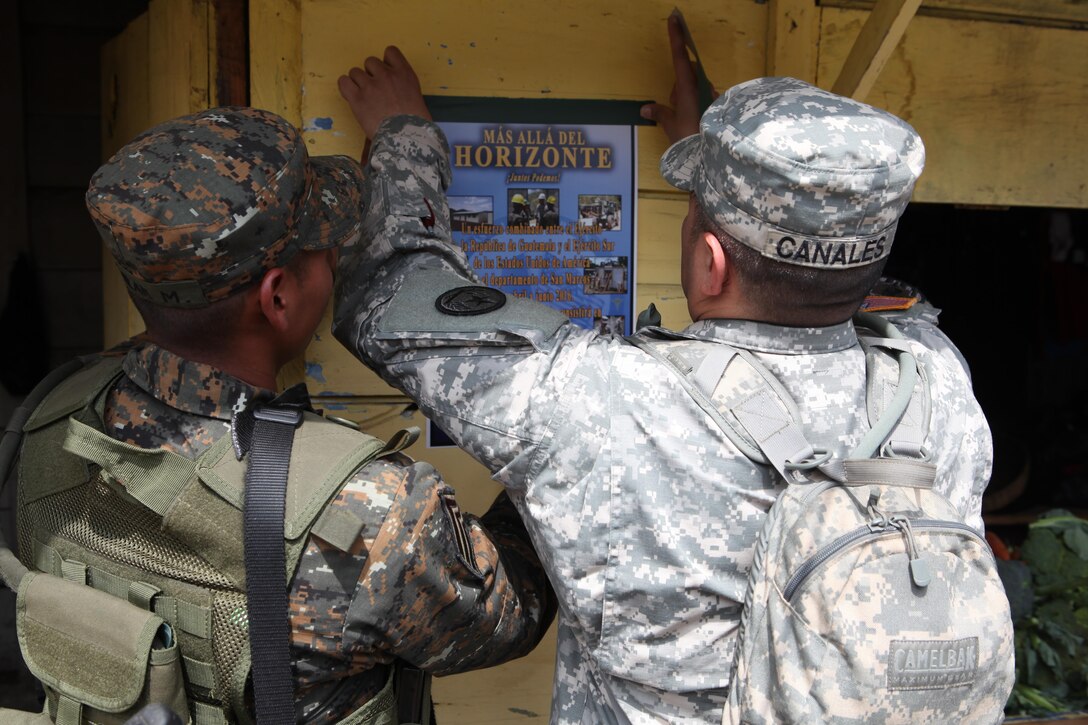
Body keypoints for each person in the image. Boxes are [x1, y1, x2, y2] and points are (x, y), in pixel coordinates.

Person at [333, 22, 992, 724]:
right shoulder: (936, 382)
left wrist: (403, 134)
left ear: (708, 262)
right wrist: (716, 159)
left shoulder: (608, 402)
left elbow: (391, 291)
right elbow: (834, 271)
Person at [14, 107, 555, 723]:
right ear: (278, 297)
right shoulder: (364, 511)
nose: (335, 258)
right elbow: (512, 613)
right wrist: (548, 444)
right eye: (327, 249)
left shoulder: (50, 425)